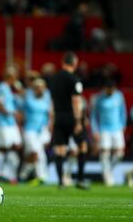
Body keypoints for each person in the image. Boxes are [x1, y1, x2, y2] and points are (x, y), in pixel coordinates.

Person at [50, 52, 88, 189]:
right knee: (82, 145)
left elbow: (52, 101)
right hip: (72, 117)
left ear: (63, 62)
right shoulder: (74, 79)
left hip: (59, 116)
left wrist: (52, 119)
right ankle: (81, 179)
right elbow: (76, 100)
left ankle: (61, 182)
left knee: (60, 149)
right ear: (74, 63)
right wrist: (78, 121)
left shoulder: (54, 79)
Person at [90, 80, 126, 186]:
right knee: (105, 152)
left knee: (120, 154)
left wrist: (123, 124)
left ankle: (108, 170)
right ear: (104, 88)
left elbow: (122, 111)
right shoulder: (98, 98)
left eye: (112, 89)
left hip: (117, 128)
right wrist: (95, 130)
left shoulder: (119, 96)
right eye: (108, 89)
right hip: (104, 129)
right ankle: (107, 176)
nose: (111, 91)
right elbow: (93, 116)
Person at [0, 66, 22, 183]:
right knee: (2, 148)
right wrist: (13, 113)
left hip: (11, 124)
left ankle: (8, 175)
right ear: (11, 76)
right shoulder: (1, 87)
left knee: (16, 147)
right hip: (2, 123)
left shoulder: (9, 89)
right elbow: (0, 106)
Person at [20, 78, 53, 184]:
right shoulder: (27, 99)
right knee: (36, 152)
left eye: (41, 87)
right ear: (33, 88)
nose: (39, 89)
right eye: (37, 87)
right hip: (29, 130)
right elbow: (21, 113)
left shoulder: (47, 99)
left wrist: (50, 128)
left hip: (42, 131)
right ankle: (41, 176)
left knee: (36, 153)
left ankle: (23, 175)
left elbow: (50, 114)